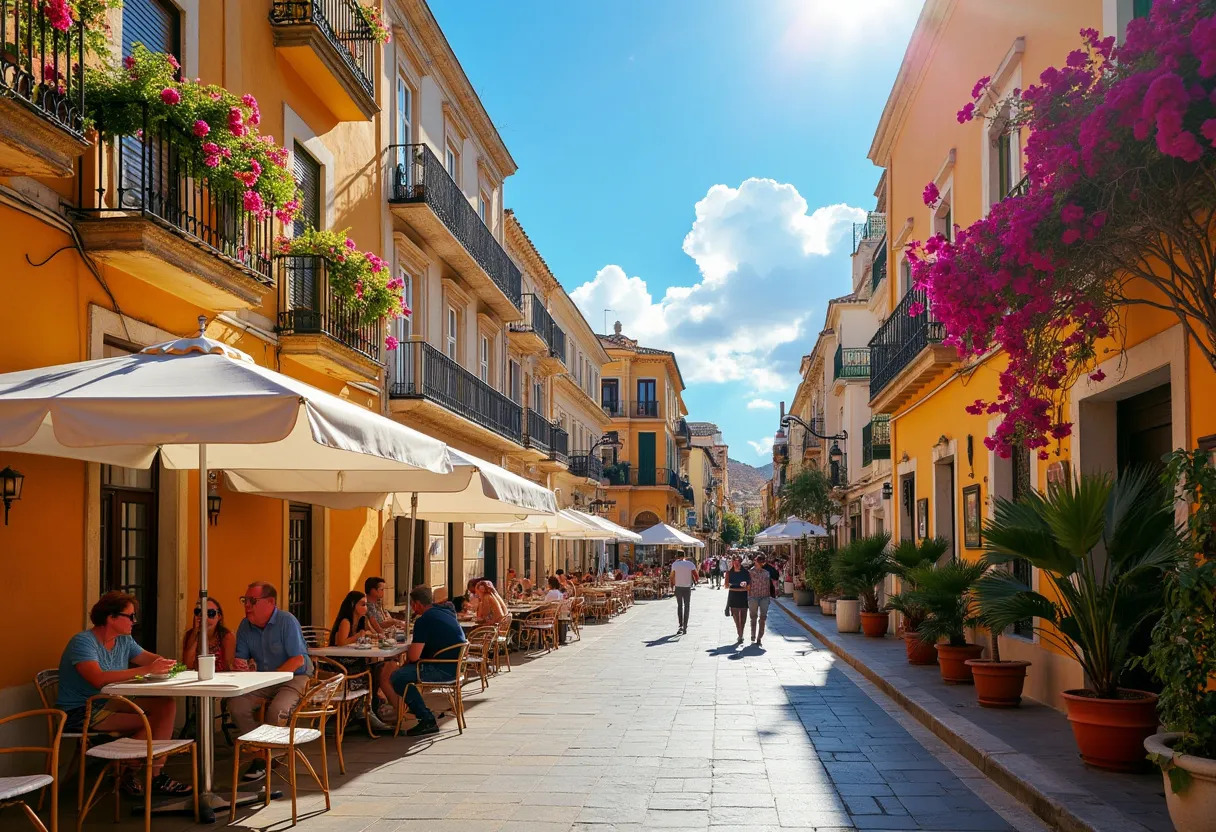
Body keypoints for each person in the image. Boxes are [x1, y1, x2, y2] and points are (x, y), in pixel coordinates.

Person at [57, 591, 190, 797]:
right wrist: (147, 670)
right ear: (111, 618)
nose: (134, 622)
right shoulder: (83, 642)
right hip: (82, 710)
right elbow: (98, 679)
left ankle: (151, 774)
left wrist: (172, 665)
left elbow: (150, 660)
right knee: (149, 722)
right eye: (130, 616)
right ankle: (125, 771)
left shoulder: (124, 641)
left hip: (110, 702)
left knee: (165, 705)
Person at [230, 581, 312, 781]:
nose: (246, 605)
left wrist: (269, 677)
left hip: (295, 676)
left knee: (277, 710)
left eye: (252, 601)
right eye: (244, 600)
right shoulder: (245, 625)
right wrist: (239, 665)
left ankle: (263, 758)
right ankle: (265, 752)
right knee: (236, 705)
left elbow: (297, 660)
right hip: (263, 679)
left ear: (270, 602)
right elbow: (240, 658)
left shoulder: (287, 621)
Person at [390, 586, 467, 737]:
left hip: (442, 670)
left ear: (417, 604)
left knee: (397, 677)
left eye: (412, 604)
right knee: (404, 672)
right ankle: (419, 710)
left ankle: (426, 718)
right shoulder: (446, 612)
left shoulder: (424, 620)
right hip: (456, 667)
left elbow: (414, 656)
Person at [181, 597, 235, 673]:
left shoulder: (226, 636)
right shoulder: (190, 635)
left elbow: (228, 668)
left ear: (219, 616)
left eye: (210, 613)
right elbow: (187, 666)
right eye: (199, 613)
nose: (205, 618)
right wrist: (195, 633)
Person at [747, 554, 777, 646]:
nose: (756, 563)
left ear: (762, 563)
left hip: (765, 597)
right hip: (753, 596)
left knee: (763, 618)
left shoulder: (767, 572)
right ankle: (753, 634)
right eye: (756, 561)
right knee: (753, 617)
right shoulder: (750, 572)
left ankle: (759, 637)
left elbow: (776, 576)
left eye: (758, 562)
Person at [669, 551, 698, 634]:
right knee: (687, 606)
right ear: (685, 556)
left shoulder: (674, 564)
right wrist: (695, 581)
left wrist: (672, 585)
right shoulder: (690, 564)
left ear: (677, 556)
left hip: (678, 587)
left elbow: (672, 576)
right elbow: (696, 575)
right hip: (687, 587)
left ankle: (680, 625)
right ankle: (685, 625)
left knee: (679, 606)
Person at [724, 556, 750, 645]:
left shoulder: (746, 572)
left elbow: (749, 583)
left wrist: (746, 583)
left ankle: (741, 634)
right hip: (733, 595)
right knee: (735, 617)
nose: (736, 564)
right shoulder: (729, 573)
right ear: (732, 563)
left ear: (740, 562)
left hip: (743, 595)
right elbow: (726, 585)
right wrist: (732, 584)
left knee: (743, 617)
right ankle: (739, 633)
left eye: (738, 562)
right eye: (734, 562)